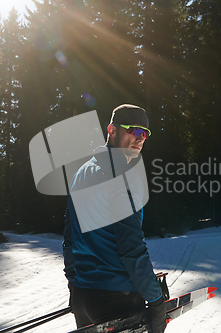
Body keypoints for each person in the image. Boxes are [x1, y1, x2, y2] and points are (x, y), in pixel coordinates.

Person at [62, 104, 167, 333]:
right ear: (111, 130)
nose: (140, 138)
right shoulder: (123, 177)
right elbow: (130, 246)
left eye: (145, 133)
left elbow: (70, 238)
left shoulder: (81, 173)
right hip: (117, 301)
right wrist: (157, 301)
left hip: (84, 297)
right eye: (134, 130)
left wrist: (74, 284)